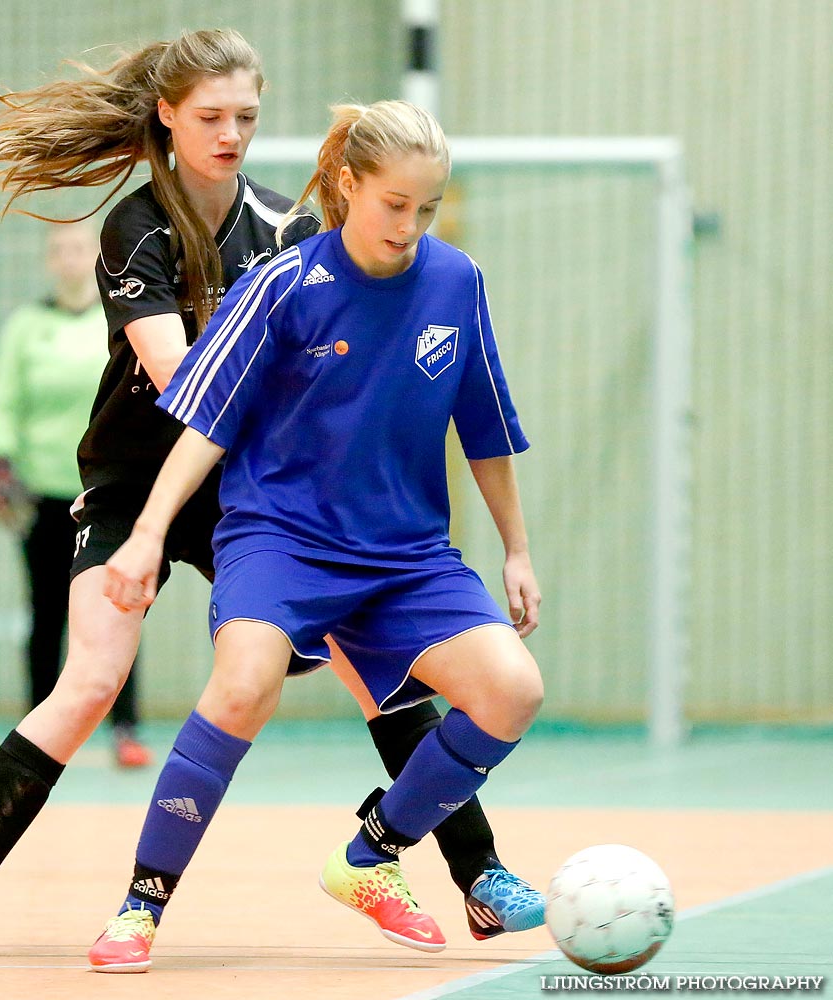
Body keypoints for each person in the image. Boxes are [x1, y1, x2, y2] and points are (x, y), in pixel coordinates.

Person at [0, 30, 539, 965]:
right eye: (211, 116)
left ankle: (471, 873)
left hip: (255, 484)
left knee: (383, 674)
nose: (231, 133)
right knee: (89, 681)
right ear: (168, 116)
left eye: (246, 116)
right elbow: (185, 381)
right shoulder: (139, 230)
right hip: (144, 477)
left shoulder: (285, 230)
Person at [87, 98, 545, 973]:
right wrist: (147, 533)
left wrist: (517, 548)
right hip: (282, 539)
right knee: (243, 685)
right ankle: (140, 905)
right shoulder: (283, 285)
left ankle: (371, 853)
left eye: (427, 208)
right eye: (393, 205)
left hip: (407, 557)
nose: (409, 227)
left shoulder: (457, 282)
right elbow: (207, 425)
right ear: (346, 186)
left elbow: (484, 427)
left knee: (513, 692)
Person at [0, 221, 152, 768]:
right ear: (50, 260)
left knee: (119, 607)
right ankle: (39, 729)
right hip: (45, 493)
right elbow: (3, 400)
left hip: (108, 495)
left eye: (79, 249)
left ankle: (125, 728)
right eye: (60, 250)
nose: (70, 259)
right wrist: (1, 469)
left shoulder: (119, 319)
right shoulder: (27, 327)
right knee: (46, 611)